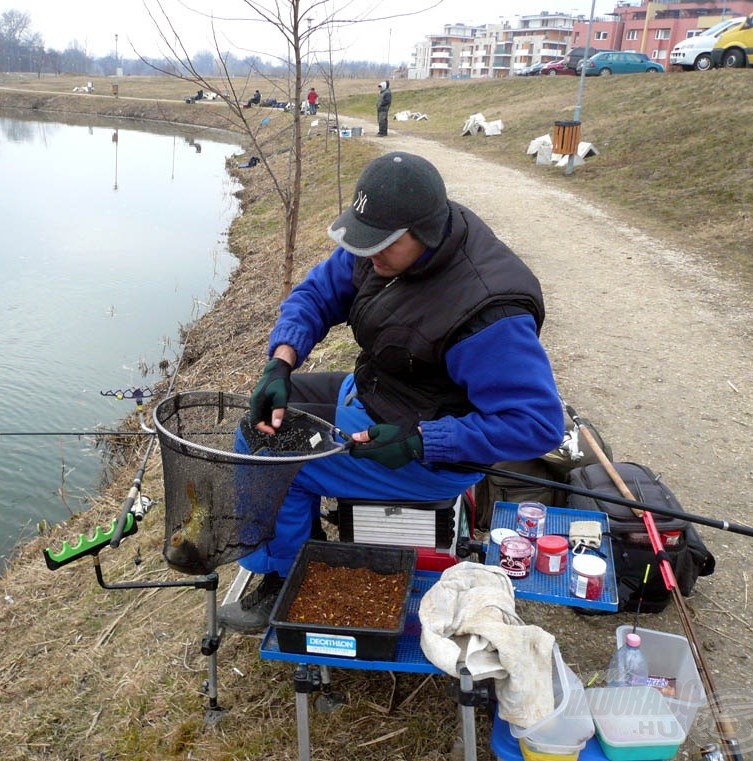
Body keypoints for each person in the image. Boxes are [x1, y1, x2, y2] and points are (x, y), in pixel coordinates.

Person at [217, 152, 565, 633]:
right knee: (260, 421)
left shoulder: (487, 309)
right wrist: (281, 361)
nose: (368, 254)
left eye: (380, 244)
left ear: (421, 232)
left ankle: (281, 576)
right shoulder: (386, 249)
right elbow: (316, 294)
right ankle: (300, 547)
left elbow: (537, 423)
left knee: (270, 457)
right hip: (375, 392)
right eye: (363, 240)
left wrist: (422, 442)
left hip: (425, 451)